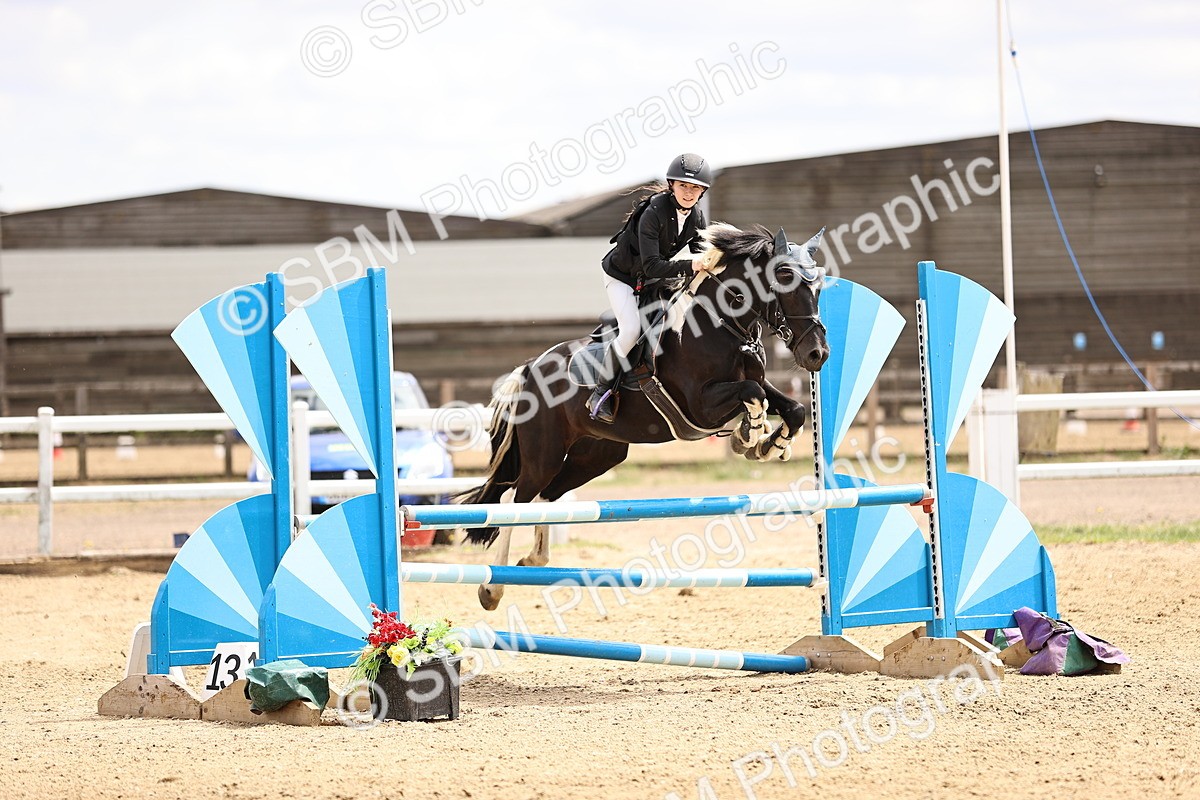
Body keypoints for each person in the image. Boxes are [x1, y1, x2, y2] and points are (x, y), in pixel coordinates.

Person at [589, 153, 713, 424]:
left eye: (695, 188)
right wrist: (692, 265)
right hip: (622, 277)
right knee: (631, 329)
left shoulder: (697, 218)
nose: (689, 192)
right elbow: (654, 265)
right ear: (672, 185)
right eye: (683, 186)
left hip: (651, 280)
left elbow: (702, 259)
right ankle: (601, 391)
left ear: (702, 191)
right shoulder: (653, 212)